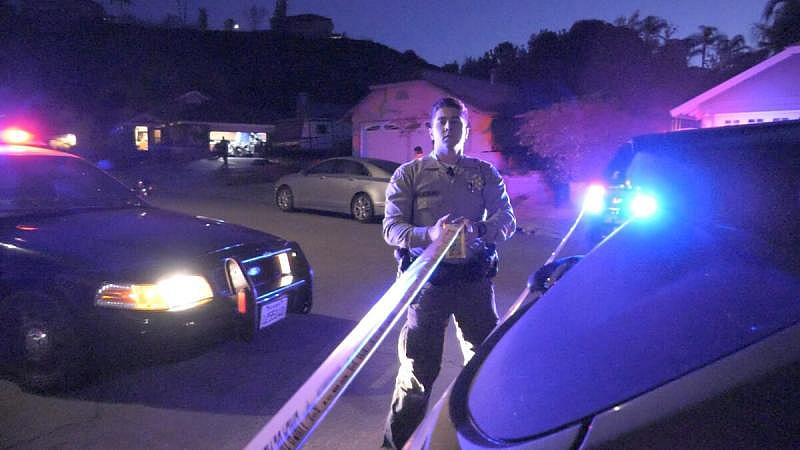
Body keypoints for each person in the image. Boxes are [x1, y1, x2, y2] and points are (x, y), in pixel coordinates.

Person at [381, 97, 516, 449]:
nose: (448, 126)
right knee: (416, 376)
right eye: (442, 120)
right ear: (431, 128)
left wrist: (480, 230)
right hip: (428, 287)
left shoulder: (484, 173)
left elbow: (507, 220)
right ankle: (397, 445)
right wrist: (430, 234)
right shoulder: (409, 174)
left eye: (456, 121)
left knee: (484, 369)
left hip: (473, 283)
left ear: (466, 130)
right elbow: (392, 228)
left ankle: (477, 441)